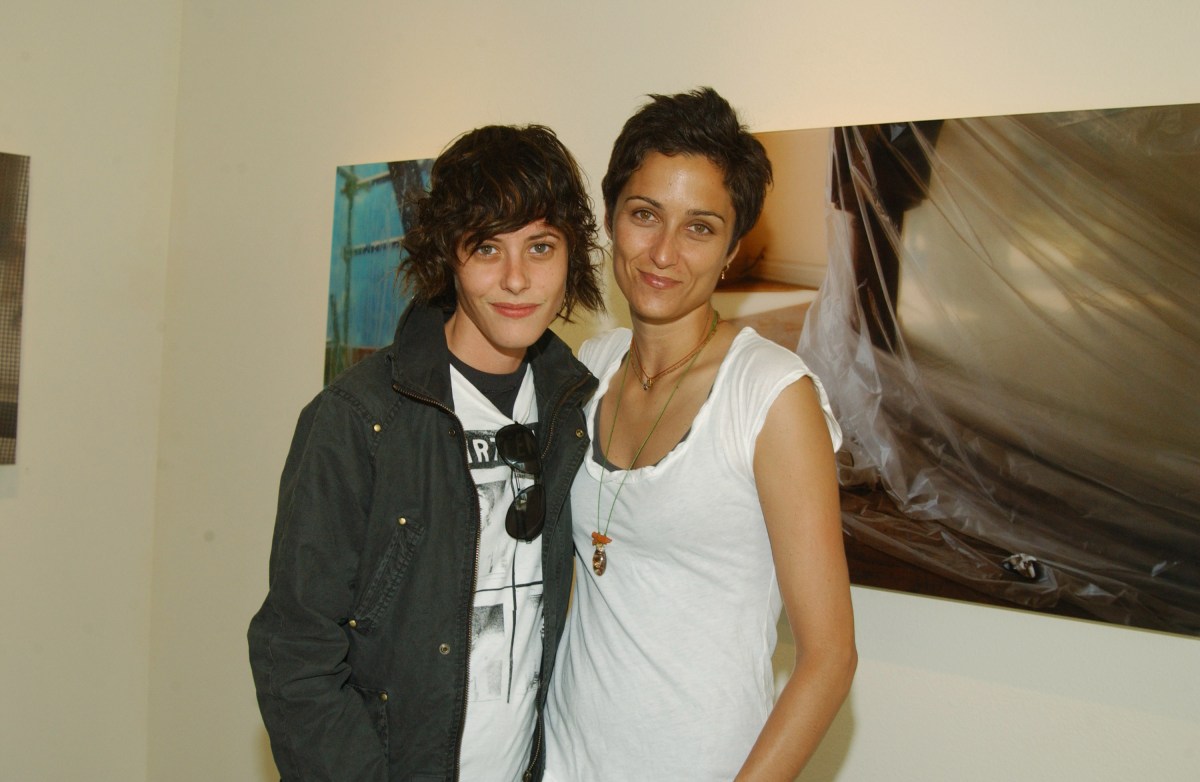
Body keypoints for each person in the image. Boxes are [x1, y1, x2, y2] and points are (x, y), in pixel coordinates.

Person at [248, 124, 604, 781]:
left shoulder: (569, 408)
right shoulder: (357, 421)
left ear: (571, 256)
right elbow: (295, 653)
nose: (518, 278)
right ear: (450, 256)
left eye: (541, 246)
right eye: (488, 247)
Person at [544, 88, 857, 780]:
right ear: (611, 218)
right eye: (645, 215)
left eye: (699, 228)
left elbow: (830, 657)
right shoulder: (588, 369)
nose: (662, 252)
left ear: (733, 249)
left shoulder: (770, 397)